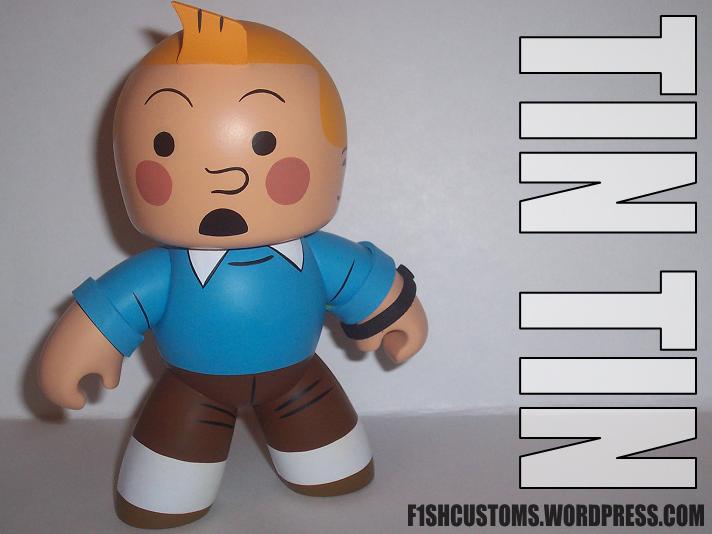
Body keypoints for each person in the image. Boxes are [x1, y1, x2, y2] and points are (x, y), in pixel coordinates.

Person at [38, 1, 428, 528]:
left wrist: (395, 313)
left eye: (265, 144)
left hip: (300, 382)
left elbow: (364, 281)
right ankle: (168, 492)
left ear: (334, 160)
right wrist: (78, 349)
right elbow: (113, 308)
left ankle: (323, 465)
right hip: (192, 391)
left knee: (335, 469)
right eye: (165, 144)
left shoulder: (320, 255)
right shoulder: (164, 272)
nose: (222, 176)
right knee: (162, 495)